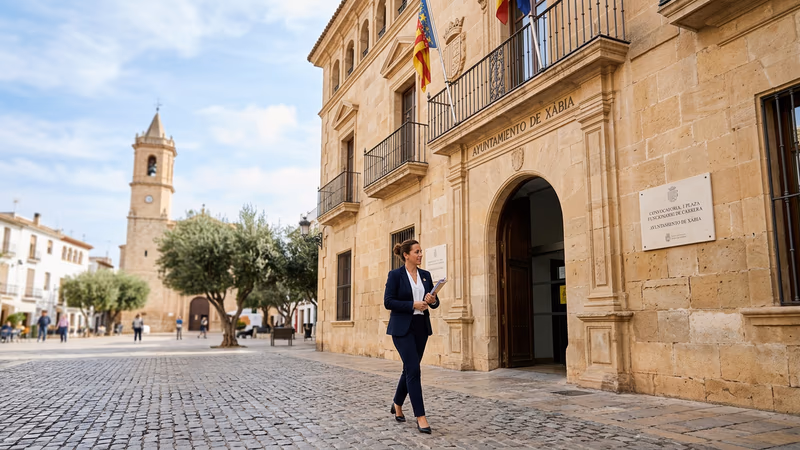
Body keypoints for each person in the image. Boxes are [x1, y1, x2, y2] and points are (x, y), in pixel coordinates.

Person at [384, 239, 440, 434]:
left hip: (421, 327)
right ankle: (421, 417)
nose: (420, 254)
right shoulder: (395, 275)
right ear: (406, 255)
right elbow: (388, 302)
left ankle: (397, 404)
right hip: (402, 328)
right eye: (417, 252)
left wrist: (431, 300)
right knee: (414, 370)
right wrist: (412, 305)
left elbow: (435, 302)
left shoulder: (425, 275)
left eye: (421, 251)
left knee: (409, 369)